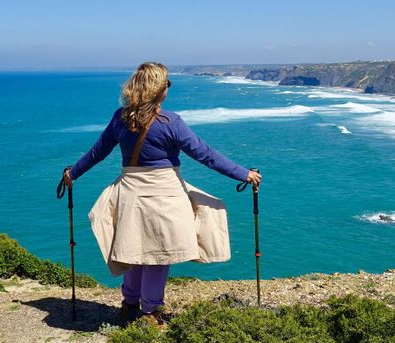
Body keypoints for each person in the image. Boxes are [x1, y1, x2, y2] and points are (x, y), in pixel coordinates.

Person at [62, 62, 262, 326]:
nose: (168, 89)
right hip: (164, 195)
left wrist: (72, 174)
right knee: (159, 254)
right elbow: (205, 155)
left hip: (130, 193)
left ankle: (129, 305)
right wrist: (243, 174)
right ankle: (151, 313)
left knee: (133, 250)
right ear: (158, 91)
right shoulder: (171, 122)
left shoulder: (120, 118)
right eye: (167, 84)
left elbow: (97, 152)